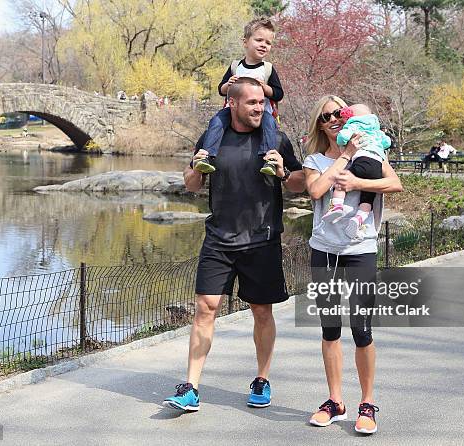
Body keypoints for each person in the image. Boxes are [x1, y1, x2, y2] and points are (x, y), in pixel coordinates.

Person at [163, 77, 305, 412]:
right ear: (233, 104)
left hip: (262, 240)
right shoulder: (214, 138)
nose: (260, 108)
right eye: (253, 103)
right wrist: (196, 169)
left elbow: (300, 183)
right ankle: (191, 387)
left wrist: (284, 173)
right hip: (219, 239)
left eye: (262, 102)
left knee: (261, 311)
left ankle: (262, 378)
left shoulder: (275, 139)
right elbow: (192, 184)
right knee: (204, 308)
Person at [302, 95, 403, 434]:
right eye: (326, 116)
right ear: (320, 123)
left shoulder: (372, 149)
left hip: (360, 248)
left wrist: (358, 182)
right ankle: (335, 401)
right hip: (325, 249)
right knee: (329, 328)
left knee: (361, 329)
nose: (333, 119)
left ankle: (367, 403)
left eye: (339, 114)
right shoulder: (315, 158)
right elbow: (316, 191)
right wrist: (344, 156)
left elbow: (394, 183)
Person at [193, 17, 284, 176]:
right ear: (245, 42)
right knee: (216, 121)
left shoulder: (267, 69)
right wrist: (229, 84)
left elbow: (278, 93)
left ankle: (269, 158)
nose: (264, 45)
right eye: (259, 40)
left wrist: (265, 87)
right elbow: (221, 90)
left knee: (269, 123)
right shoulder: (236, 66)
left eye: (268, 43)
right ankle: (206, 156)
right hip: (232, 110)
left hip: (261, 112)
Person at [322, 104, 391, 241]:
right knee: (367, 199)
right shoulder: (376, 130)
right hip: (376, 167)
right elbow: (387, 142)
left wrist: (346, 146)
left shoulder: (353, 126)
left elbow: (341, 138)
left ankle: (336, 206)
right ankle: (358, 219)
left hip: (362, 161)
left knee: (340, 182)